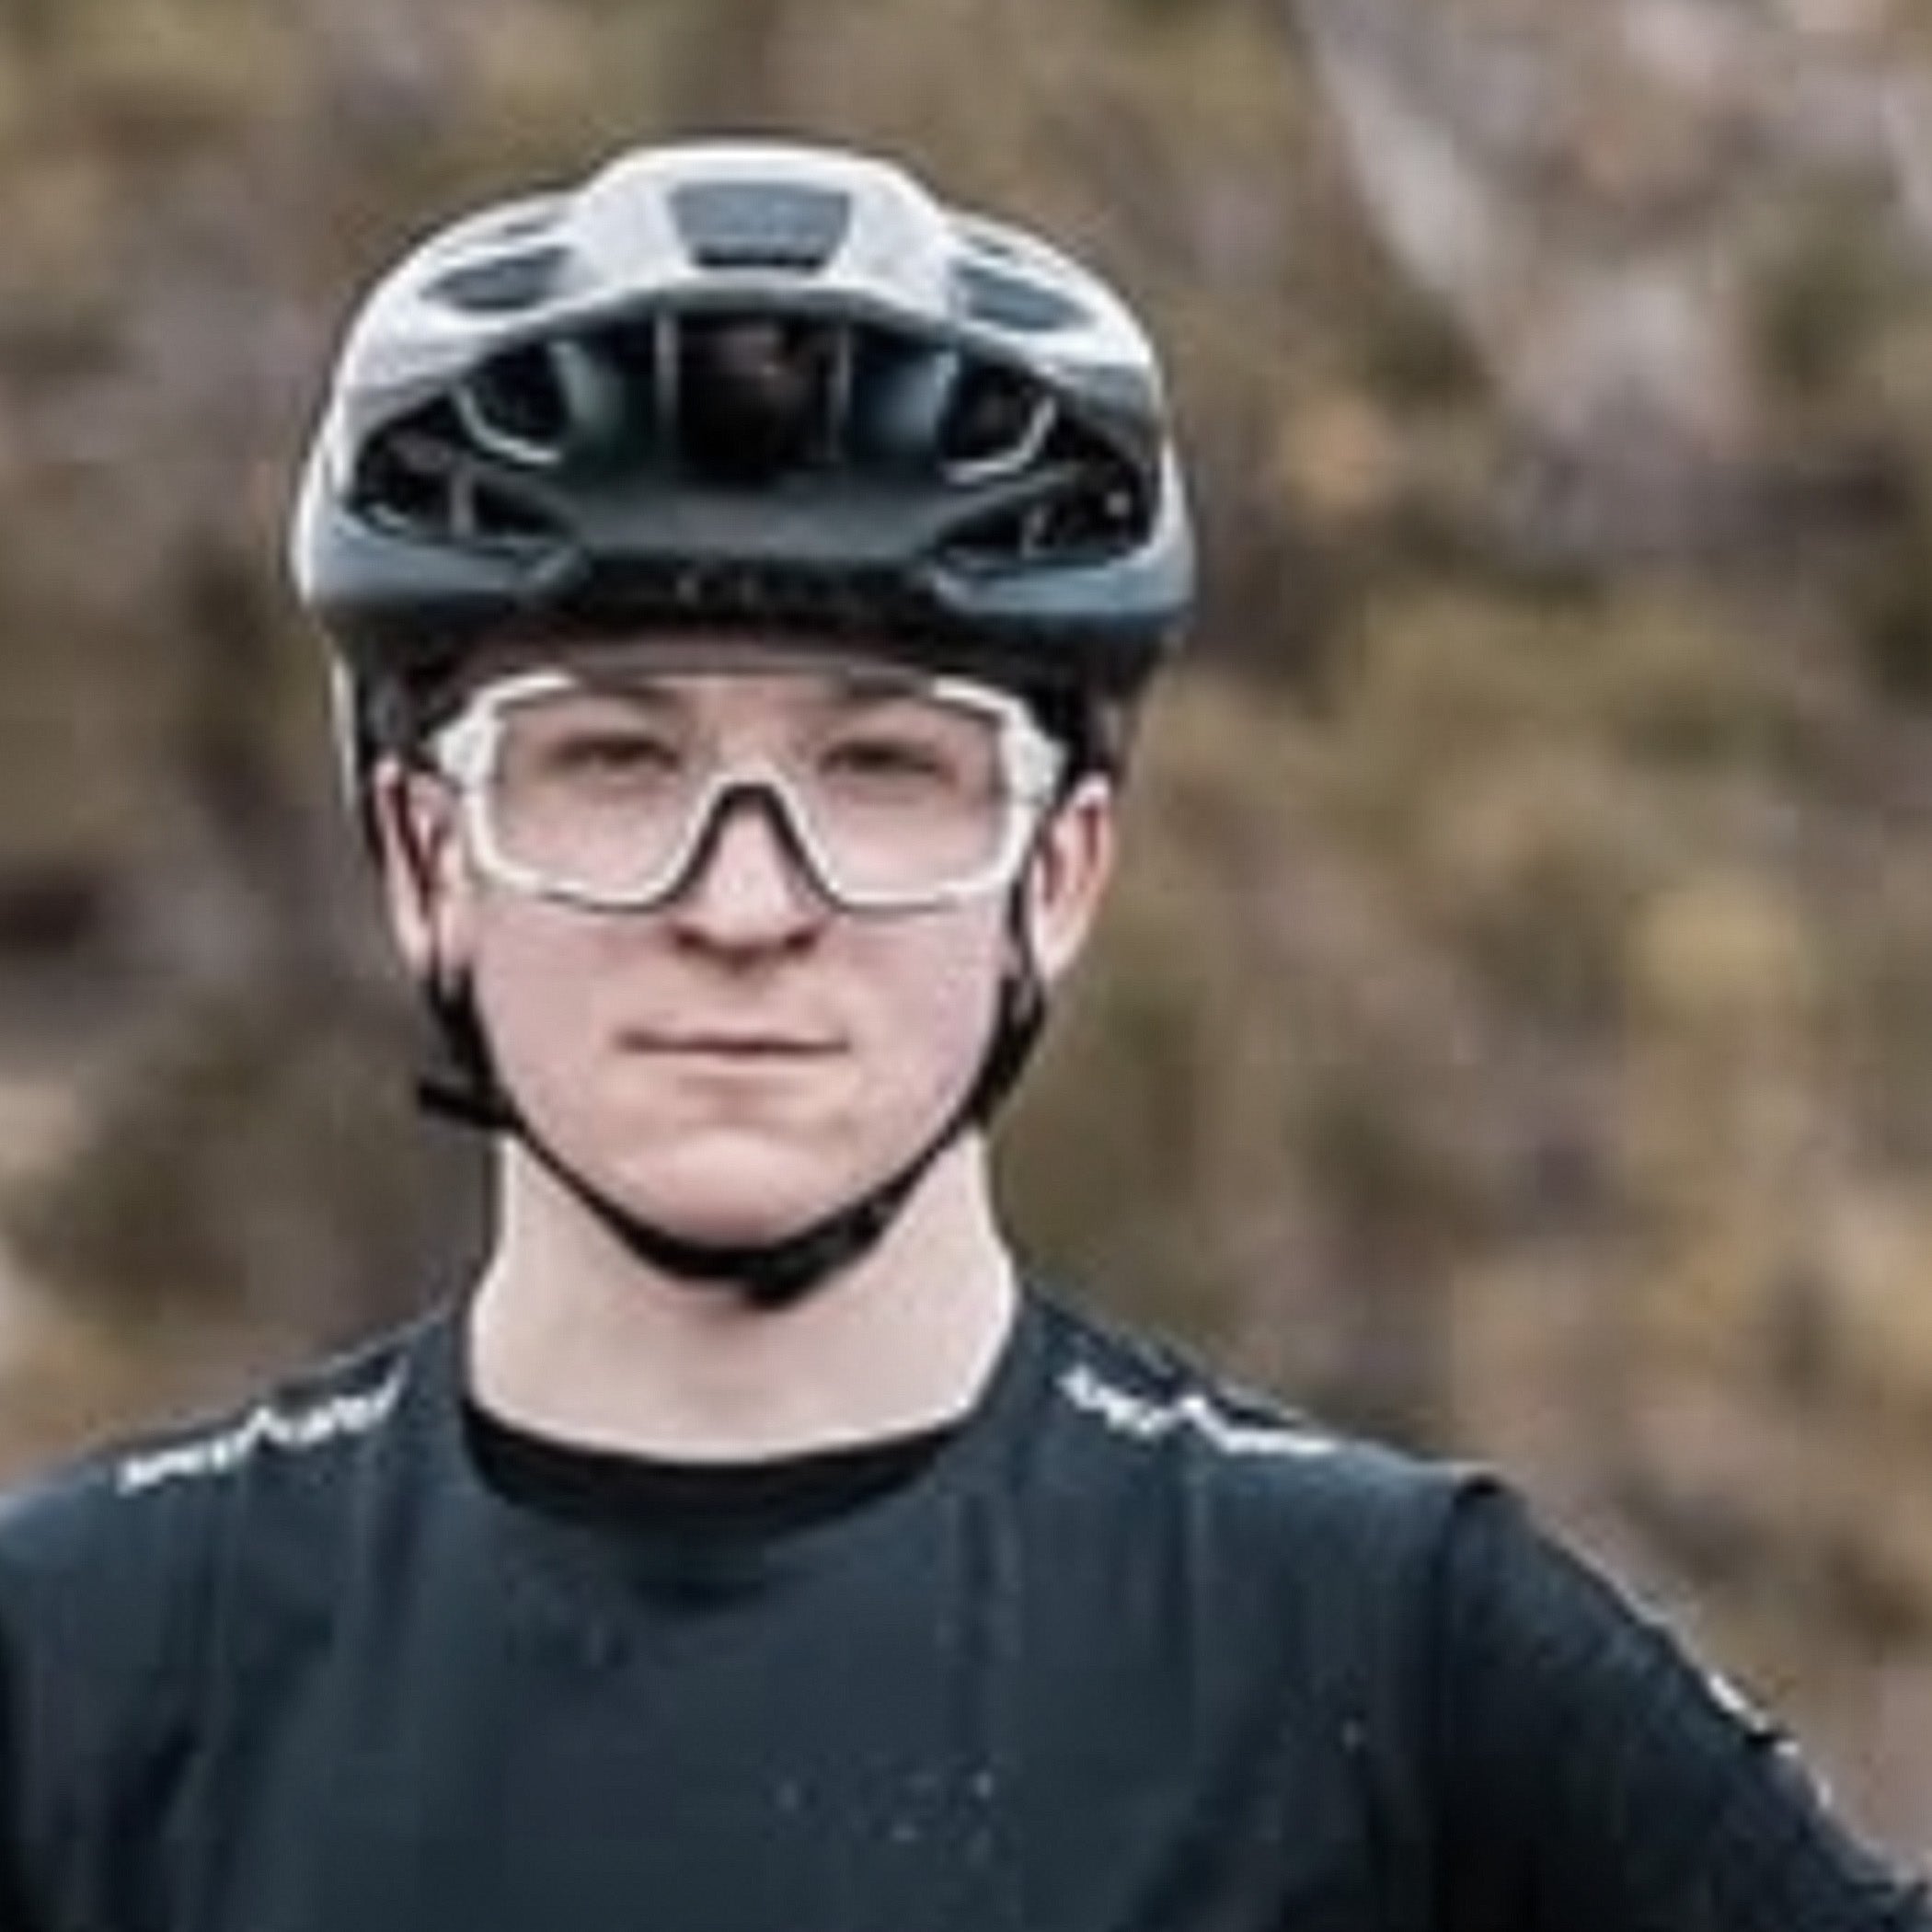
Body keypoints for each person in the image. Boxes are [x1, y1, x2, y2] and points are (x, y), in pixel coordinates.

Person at [0, 135, 1923, 1932]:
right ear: (424, 855)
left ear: (1061, 873)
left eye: (886, 767)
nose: (743, 904)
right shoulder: (80, 1667)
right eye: (606, 758)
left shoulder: (1398, 1658)